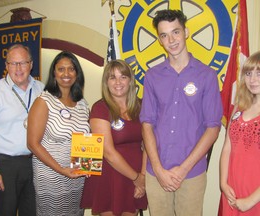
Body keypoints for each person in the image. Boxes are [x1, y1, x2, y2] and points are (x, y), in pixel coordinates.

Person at [139, 9, 223, 216]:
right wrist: (158, 169)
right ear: (159, 40)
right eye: (164, 35)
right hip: (156, 172)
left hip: (192, 173)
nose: (171, 40)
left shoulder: (207, 76)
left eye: (176, 32)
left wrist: (184, 168)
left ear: (186, 32)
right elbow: (146, 124)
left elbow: (213, 128)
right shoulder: (152, 76)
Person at [0, 44, 44, 216]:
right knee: (6, 212)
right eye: (13, 63)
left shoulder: (42, 90)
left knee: (32, 212)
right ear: (6, 66)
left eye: (23, 63)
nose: (18, 68)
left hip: (35, 162)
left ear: (31, 64)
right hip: (6, 166)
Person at [81, 59, 148, 216]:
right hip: (109, 176)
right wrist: (136, 178)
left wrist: (143, 178)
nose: (118, 82)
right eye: (112, 77)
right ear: (106, 82)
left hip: (136, 175)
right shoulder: (100, 108)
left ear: (130, 80)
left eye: (123, 76)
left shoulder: (142, 106)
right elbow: (108, 152)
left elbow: (148, 144)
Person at [27, 51, 90, 216]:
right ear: (54, 73)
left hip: (77, 177)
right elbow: (33, 144)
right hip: (51, 177)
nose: (66, 74)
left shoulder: (83, 104)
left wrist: (87, 164)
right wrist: (61, 170)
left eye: (71, 69)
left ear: (77, 73)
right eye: (61, 69)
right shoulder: (44, 101)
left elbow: (85, 140)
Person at [218, 51, 260, 215]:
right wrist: (223, 183)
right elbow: (227, 147)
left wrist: (251, 200)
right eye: (248, 73)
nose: (253, 79)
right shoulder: (239, 106)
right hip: (232, 190)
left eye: (259, 73)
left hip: (255, 194)